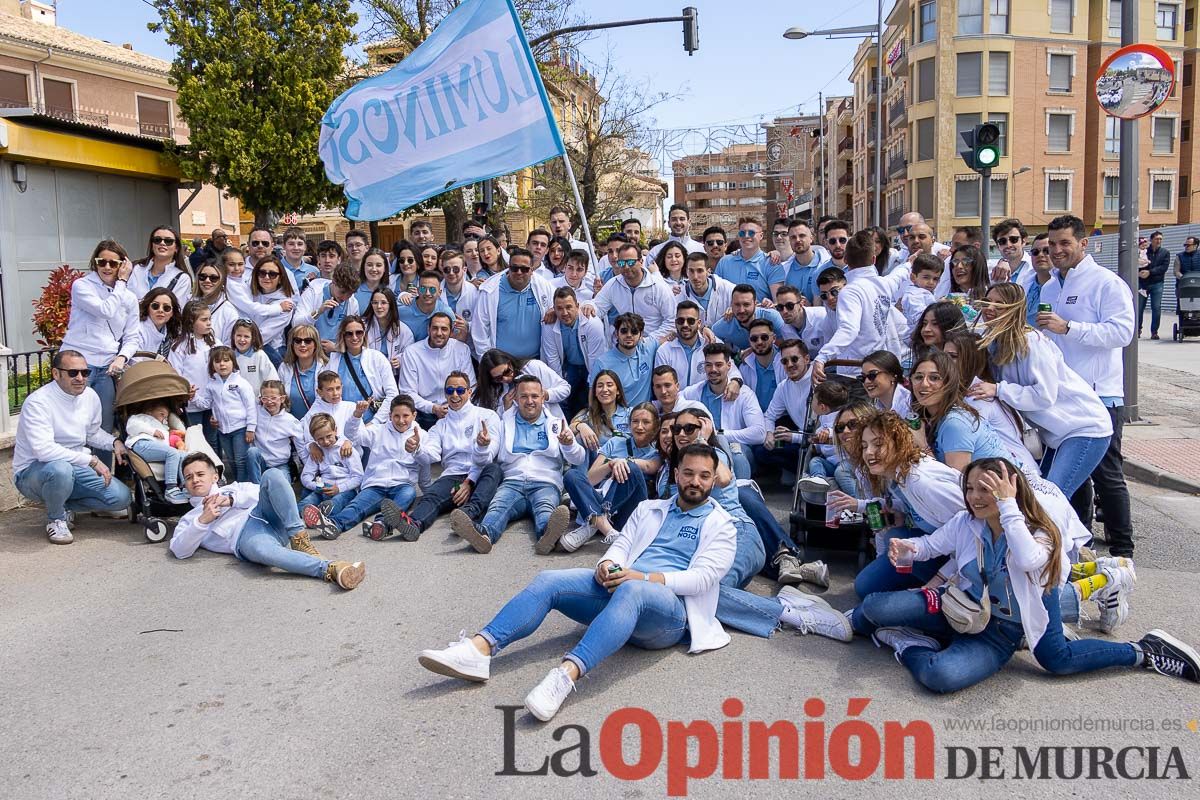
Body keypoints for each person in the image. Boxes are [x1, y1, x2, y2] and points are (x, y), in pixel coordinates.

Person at [417, 443, 736, 723]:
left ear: (712, 480)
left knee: (632, 589)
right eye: (689, 473)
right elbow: (621, 546)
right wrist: (606, 565)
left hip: (668, 616)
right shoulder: (650, 508)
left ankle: (564, 677)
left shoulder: (721, 525)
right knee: (549, 580)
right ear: (676, 474)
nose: (695, 481)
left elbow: (702, 579)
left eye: (704, 476)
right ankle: (478, 650)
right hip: (623, 590)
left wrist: (644, 577)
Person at [860, 459, 1200, 693]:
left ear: (1010, 491)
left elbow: (1026, 558)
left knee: (941, 675)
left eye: (986, 489)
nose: (975, 498)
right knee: (872, 610)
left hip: (1002, 632)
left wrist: (1008, 507)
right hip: (959, 609)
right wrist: (908, 548)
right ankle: (931, 635)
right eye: (970, 489)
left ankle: (1145, 651)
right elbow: (932, 545)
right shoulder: (967, 523)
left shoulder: (1039, 531)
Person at [1036, 215, 1136, 557]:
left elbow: (1123, 333)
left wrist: (1070, 328)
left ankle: (1123, 551)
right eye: (1052, 244)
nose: (1057, 250)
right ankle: (1080, 546)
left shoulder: (1107, 283)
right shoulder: (1049, 286)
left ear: (1083, 243)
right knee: (1076, 482)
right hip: (1063, 399)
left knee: (1108, 476)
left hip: (1101, 395)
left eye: (1065, 243)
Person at [970, 281, 1114, 497]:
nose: (990, 308)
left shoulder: (1031, 342)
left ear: (1015, 308)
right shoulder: (995, 343)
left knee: (1051, 499)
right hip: (1055, 434)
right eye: (988, 302)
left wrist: (999, 389)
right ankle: (1076, 530)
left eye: (1000, 304)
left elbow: (1044, 395)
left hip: (1084, 428)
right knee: (1039, 494)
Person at [170, 453, 366, 590]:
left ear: (215, 476)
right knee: (264, 551)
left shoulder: (234, 488)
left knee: (273, 475)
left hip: (268, 515)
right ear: (185, 485)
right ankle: (333, 569)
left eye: (200, 474)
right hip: (247, 538)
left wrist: (232, 499)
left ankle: (300, 539)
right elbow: (180, 550)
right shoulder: (190, 518)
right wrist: (203, 521)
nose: (195, 479)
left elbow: (263, 489)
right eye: (189, 477)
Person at [449, 375, 583, 555]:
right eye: (524, 396)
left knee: (546, 512)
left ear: (543, 397)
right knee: (498, 508)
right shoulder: (503, 423)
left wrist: (569, 444)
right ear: (516, 399)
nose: (530, 401)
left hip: (546, 482)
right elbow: (483, 460)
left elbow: (578, 459)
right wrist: (482, 446)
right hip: (512, 482)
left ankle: (547, 537)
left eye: (534, 396)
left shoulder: (557, 423)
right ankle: (483, 535)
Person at [13, 350, 132, 544]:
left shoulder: (90, 396)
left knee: (121, 498)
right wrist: (91, 460)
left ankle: (63, 505)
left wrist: (114, 442)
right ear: (56, 374)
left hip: (74, 467)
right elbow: (44, 451)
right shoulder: (38, 402)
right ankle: (56, 519)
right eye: (73, 373)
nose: (80, 378)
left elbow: (92, 433)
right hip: (33, 472)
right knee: (60, 469)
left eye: (85, 373)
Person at [59, 240, 141, 463]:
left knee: (103, 426)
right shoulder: (82, 285)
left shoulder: (129, 298)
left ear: (122, 265)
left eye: (113, 263)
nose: (107, 267)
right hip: (76, 365)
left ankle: (102, 481)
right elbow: (105, 310)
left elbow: (133, 336)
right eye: (101, 261)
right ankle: (73, 475)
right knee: (69, 424)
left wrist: (122, 357)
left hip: (106, 367)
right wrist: (122, 281)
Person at [309, 395, 424, 540]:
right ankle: (334, 524)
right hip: (375, 484)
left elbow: (427, 460)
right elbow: (353, 436)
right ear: (390, 416)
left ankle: (381, 523)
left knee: (409, 494)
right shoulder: (378, 430)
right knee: (356, 507)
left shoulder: (421, 435)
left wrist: (418, 451)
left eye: (406, 416)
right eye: (396, 416)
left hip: (402, 485)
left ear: (414, 415)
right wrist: (357, 415)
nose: (401, 420)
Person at [405, 373, 505, 540]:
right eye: (450, 390)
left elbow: (489, 457)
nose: (455, 395)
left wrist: (481, 449)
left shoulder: (487, 416)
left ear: (469, 392)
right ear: (445, 393)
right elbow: (431, 454)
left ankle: (466, 516)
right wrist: (417, 449)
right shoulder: (440, 425)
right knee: (432, 495)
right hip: (454, 476)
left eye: (460, 390)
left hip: (481, 474)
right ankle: (413, 524)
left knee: (494, 469)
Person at [561, 402, 662, 552]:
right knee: (572, 475)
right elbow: (590, 479)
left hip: (628, 512)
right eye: (635, 421)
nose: (639, 426)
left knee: (631, 468)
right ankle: (604, 527)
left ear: (655, 426)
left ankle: (594, 522)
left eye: (646, 422)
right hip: (603, 497)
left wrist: (624, 462)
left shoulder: (658, 449)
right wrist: (611, 464)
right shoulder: (616, 442)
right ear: (629, 424)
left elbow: (650, 466)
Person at [812, 232, 910, 382]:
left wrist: (823, 356)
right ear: (873, 259)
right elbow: (898, 275)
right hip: (878, 370)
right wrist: (909, 264)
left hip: (856, 374)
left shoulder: (849, 292)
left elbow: (849, 329)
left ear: (845, 260)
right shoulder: (883, 284)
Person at [910, 350, 1009, 472]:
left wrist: (923, 446)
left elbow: (956, 483)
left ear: (949, 382)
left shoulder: (955, 423)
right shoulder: (933, 417)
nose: (924, 384)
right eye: (918, 377)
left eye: (934, 378)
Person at [681, 343, 766, 479]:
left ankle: (739, 495)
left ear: (729, 366)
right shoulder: (694, 392)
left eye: (719, 365)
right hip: (703, 446)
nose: (713, 369)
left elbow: (759, 433)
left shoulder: (744, 394)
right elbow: (672, 402)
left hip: (738, 450)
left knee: (736, 456)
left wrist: (719, 434)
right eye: (708, 365)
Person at [471, 248, 554, 359]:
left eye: (524, 269)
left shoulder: (544, 287)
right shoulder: (490, 290)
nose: (519, 272)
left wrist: (554, 309)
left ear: (532, 270)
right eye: (515, 268)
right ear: (508, 268)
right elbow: (479, 331)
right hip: (502, 364)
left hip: (535, 360)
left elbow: (565, 303)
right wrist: (490, 363)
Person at [190, 345, 257, 482]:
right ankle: (239, 484)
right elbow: (206, 404)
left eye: (226, 360)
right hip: (222, 430)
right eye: (217, 361)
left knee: (241, 460)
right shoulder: (212, 385)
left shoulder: (241, 383)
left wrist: (251, 428)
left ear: (233, 362)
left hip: (240, 428)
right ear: (212, 365)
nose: (222, 364)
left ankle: (243, 485)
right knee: (231, 460)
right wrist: (194, 397)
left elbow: (251, 406)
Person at [583, 242, 676, 340]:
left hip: (654, 343)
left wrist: (649, 341)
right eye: (622, 263)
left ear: (641, 261)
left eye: (631, 262)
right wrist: (590, 305)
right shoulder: (614, 284)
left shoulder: (659, 286)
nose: (626, 267)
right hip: (624, 344)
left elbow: (671, 321)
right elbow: (598, 306)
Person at [398, 311, 474, 429]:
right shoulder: (412, 352)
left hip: (456, 409)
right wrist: (433, 408)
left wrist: (455, 405)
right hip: (423, 414)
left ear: (451, 331)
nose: (439, 333)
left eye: (444, 329)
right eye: (435, 328)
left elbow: (471, 385)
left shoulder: (462, 349)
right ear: (428, 330)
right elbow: (407, 391)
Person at [540, 287, 606, 420]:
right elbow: (552, 360)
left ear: (577, 306)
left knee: (591, 398)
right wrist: (558, 387)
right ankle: (565, 428)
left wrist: (592, 388)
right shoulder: (549, 325)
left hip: (591, 367)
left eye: (569, 307)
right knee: (562, 400)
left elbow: (595, 361)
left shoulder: (592, 323)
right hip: (569, 366)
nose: (564, 313)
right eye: (559, 308)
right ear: (554, 309)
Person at [297, 412, 364, 534]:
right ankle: (302, 517)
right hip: (323, 488)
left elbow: (358, 477)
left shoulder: (346, 449)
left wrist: (339, 488)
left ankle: (320, 516)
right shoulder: (317, 452)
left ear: (335, 430)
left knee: (337, 502)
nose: (326, 442)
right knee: (306, 502)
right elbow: (306, 476)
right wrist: (317, 486)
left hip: (345, 489)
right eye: (320, 439)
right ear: (314, 438)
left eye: (329, 436)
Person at [328, 315, 399, 425]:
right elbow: (324, 395)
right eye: (349, 333)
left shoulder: (377, 358)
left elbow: (392, 394)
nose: (355, 337)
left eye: (359, 332)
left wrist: (375, 422)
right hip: (343, 423)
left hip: (373, 423)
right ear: (343, 335)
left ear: (364, 333)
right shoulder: (334, 361)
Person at [169, 301, 219, 451]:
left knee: (212, 441)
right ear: (191, 322)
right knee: (195, 441)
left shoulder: (215, 343)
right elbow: (175, 374)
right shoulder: (179, 346)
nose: (209, 323)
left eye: (209, 319)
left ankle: (216, 473)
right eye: (204, 320)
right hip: (191, 403)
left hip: (213, 402)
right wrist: (185, 391)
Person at [124, 399, 188, 503]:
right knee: (172, 453)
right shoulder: (140, 418)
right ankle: (171, 488)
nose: (164, 418)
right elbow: (132, 427)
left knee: (183, 455)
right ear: (149, 411)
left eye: (166, 417)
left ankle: (186, 486)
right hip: (141, 443)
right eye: (161, 414)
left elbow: (166, 444)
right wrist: (152, 431)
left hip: (156, 448)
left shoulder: (163, 427)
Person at [474, 349, 570, 417]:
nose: (506, 378)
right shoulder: (491, 390)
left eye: (507, 371)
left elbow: (565, 388)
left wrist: (546, 394)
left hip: (549, 425)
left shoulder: (533, 367)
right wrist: (506, 408)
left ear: (510, 362)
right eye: (499, 378)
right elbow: (491, 421)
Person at [588, 312, 659, 405]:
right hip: (618, 417)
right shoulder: (602, 363)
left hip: (646, 414)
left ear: (641, 335)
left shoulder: (648, 347)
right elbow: (593, 396)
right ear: (617, 334)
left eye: (634, 331)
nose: (629, 335)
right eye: (624, 331)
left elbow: (667, 337)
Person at [246, 379, 304, 483]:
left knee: (282, 486)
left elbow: (300, 446)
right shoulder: (256, 413)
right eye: (265, 398)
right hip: (261, 462)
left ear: (282, 399)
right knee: (252, 452)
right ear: (260, 399)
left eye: (273, 398)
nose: (269, 402)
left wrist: (309, 468)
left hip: (280, 465)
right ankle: (256, 488)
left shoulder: (290, 421)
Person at [715, 217, 782, 302]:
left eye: (751, 233)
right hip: (729, 314)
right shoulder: (724, 262)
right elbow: (716, 295)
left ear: (761, 236)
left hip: (759, 314)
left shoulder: (771, 263)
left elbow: (778, 302)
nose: (746, 236)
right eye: (742, 233)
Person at [245, 255, 296, 365]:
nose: (266, 277)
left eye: (272, 274)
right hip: (245, 345)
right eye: (262, 273)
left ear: (280, 278)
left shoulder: (286, 304)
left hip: (270, 351)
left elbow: (262, 335)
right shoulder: (248, 293)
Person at [569, 370, 632, 455]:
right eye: (600, 386)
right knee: (579, 437)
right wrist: (581, 426)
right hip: (596, 465)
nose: (605, 389)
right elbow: (569, 429)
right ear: (595, 392)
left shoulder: (630, 414)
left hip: (623, 464)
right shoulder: (589, 415)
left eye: (609, 385)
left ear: (618, 391)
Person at [129, 225, 194, 305]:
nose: (162, 243)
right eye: (157, 240)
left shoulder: (183, 279)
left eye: (168, 241)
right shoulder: (136, 269)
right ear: (152, 246)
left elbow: (177, 310)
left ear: (176, 248)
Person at [710, 283, 786, 352]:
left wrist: (752, 353)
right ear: (731, 304)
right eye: (737, 305)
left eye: (746, 304)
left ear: (755, 304)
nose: (741, 310)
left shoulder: (772, 317)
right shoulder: (724, 325)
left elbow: (785, 347)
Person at [276, 325, 329, 420]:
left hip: (318, 427)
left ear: (316, 344)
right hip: (291, 427)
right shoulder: (284, 368)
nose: (302, 344)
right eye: (298, 341)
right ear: (292, 344)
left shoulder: (326, 367)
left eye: (308, 341)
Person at [655, 299, 709, 388]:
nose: (685, 325)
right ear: (676, 323)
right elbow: (661, 386)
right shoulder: (664, 351)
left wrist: (736, 381)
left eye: (690, 321)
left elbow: (731, 370)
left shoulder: (710, 344)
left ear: (699, 323)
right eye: (681, 321)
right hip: (675, 401)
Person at [737, 318, 783, 413]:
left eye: (764, 337)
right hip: (755, 418)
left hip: (783, 418)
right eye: (754, 339)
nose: (759, 342)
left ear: (774, 338)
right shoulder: (744, 367)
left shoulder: (785, 362)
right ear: (749, 341)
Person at [364, 287, 414, 371]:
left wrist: (400, 360)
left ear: (391, 305)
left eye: (383, 303)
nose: (379, 306)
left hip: (392, 375)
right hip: (369, 373)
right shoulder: (363, 326)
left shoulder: (403, 330)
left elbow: (410, 353)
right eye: (375, 303)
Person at [679, 252, 735, 327]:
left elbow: (753, 304)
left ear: (708, 271)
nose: (695, 277)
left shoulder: (728, 288)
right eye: (691, 271)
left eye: (700, 271)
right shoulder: (679, 294)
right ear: (686, 272)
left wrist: (736, 309)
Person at [193, 259, 239, 344]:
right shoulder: (189, 302)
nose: (207, 280)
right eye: (202, 276)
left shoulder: (229, 312)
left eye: (213, 278)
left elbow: (228, 347)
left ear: (222, 281)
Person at [230, 319, 279, 397]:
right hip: (236, 403)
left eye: (246, 336)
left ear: (253, 338)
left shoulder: (260, 356)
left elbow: (272, 379)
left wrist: (262, 398)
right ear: (233, 336)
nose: (242, 339)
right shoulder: (230, 356)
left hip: (256, 403)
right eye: (239, 335)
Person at [780, 219, 824, 304]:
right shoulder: (784, 269)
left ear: (811, 238)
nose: (797, 240)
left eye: (802, 235)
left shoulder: (824, 265)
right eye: (793, 237)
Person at [1139, 230, 1170, 339]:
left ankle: (1154, 332)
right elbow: (1138, 263)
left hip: (1157, 283)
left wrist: (1150, 272)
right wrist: (1140, 272)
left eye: (1160, 239)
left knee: (1156, 307)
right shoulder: (1143, 251)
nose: (1159, 241)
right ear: (1151, 239)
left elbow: (1164, 268)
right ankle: (1138, 330)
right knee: (1139, 307)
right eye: (1157, 239)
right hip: (1143, 283)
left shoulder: (1165, 253)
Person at [861, 349, 910, 417]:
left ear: (892, 376)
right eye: (863, 377)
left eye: (872, 375)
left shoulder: (911, 404)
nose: (866, 381)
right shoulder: (873, 409)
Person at [136, 287, 180, 360]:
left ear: (172, 313)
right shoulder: (138, 330)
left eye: (166, 308)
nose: (160, 310)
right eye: (155, 306)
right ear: (147, 307)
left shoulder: (172, 332)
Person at [989, 218, 1033, 285]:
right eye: (1002, 241)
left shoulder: (1034, 267)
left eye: (1013, 239)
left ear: (1024, 241)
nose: (1008, 245)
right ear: (997, 246)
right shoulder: (990, 270)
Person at [279, 227, 319, 292]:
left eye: (300, 244)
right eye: (291, 244)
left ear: (305, 247)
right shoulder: (276, 269)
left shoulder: (314, 271)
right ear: (284, 246)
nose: (296, 248)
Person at [353, 246, 390, 312]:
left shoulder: (391, 288)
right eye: (369, 265)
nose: (374, 269)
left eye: (378, 265)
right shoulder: (354, 290)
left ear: (385, 268)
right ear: (363, 267)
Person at [1173, 236, 1200, 315]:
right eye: (1185, 245)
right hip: (1183, 285)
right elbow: (1176, 271)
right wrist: (1184, 279)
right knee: (1181, 305)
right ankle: (1181, 322)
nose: (1186, 247)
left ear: (1195, 245)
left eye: (1188, 245)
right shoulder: (1179, 256)